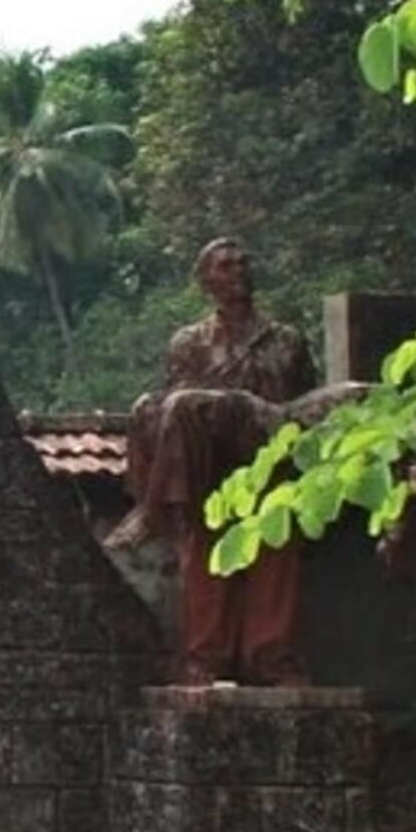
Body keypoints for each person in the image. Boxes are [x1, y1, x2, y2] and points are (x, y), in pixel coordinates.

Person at [123, 238, 324, 686]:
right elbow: (179, 412)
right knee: (207, 558)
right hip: (211, 470)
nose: (238, 271)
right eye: (226, 265)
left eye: (243, 262)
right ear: (206, 281)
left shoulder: (287, 340)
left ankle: (273, 660)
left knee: (276, 562)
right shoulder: (190, 342)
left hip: (271, 463)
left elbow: (304, 402)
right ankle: (205, 658)